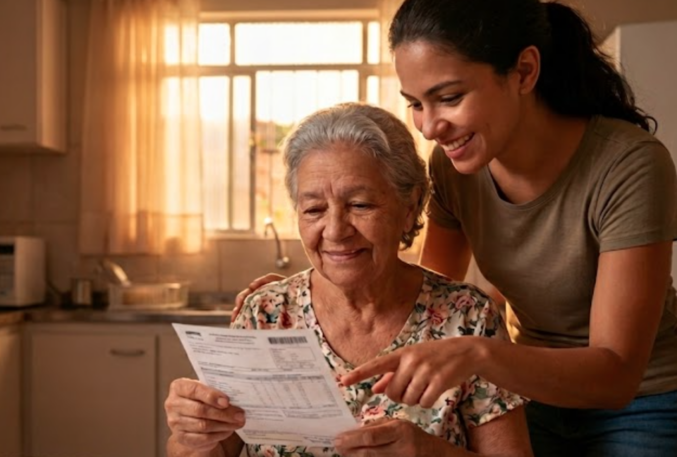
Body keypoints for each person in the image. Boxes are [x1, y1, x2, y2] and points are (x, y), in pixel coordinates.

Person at [236, 0, 677, 455]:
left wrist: (478, 353)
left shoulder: (629, 166)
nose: (429, 128)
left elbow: (616, 376)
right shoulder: (455, 167)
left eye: (448, 98)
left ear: (524, 72)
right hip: (528, 386)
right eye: (415, 104)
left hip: (638, 399)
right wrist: (319, 288)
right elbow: (432, 300)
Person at [166, 103, 533, 457]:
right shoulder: (265, 314)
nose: (335, 231)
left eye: (360, 205)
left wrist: (430, 452)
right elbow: (213, 449)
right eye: (314, 209)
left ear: (409, 208)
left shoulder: (468, 316)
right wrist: (193, 436)